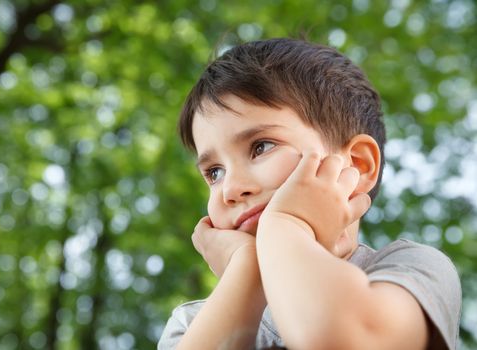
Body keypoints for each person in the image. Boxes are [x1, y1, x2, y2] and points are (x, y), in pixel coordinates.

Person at [158, 37, 461, 350]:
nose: (231, 189)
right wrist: (246, 273)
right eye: (214, 173)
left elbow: (345, 339)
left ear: (356, 165)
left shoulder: (411, 271)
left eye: (261, 147)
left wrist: (285, 225)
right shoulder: (192, 323)